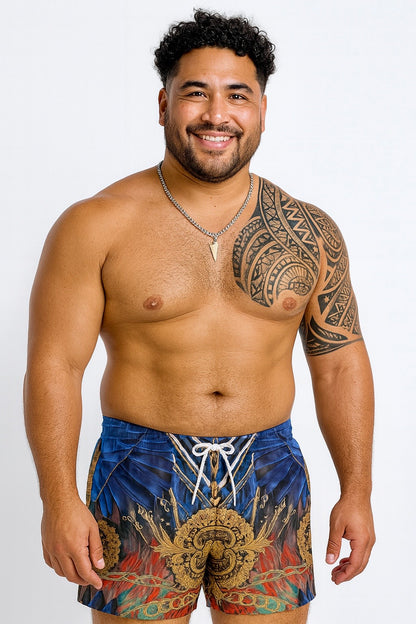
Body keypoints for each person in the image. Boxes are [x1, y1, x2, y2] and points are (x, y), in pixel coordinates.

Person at [24, 9, 375, 624]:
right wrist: (58, 499)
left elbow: (340, 364)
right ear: (163, 104)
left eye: (237, 95)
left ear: (261, 108)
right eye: (196, 93)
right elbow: (55, 365)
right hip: (141, 470)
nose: (217, 114)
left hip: (269, 471)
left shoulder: (309, 232)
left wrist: (358, 490)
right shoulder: (96, 224)